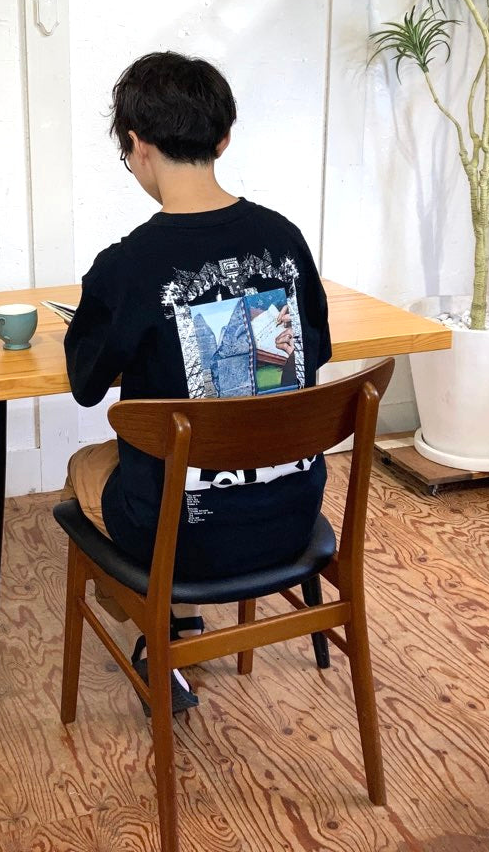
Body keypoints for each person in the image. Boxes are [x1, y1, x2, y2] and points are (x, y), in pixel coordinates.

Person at [61, 51, 331, 714]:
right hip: (294, 518)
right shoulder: (285, 240)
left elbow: (86, 381)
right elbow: (314, 353)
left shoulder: (128, 265)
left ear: (137, 145)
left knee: (83, 467)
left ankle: (163, 630)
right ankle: (174, 630)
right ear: (224, 139)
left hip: (183, 536)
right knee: (182, 448)